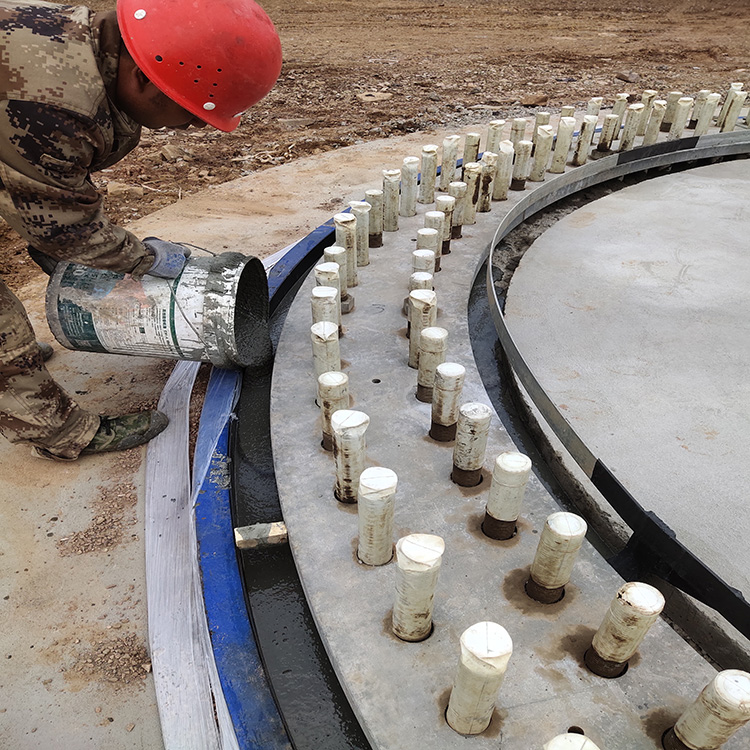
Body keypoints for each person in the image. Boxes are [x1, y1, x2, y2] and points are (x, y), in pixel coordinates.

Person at [0, 0, 282, 459]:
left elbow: (46, 177)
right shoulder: (51, 102)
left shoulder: (85, 42)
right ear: (143, 78)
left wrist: (66, 233)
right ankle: (60, 433)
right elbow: (62, 224)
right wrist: (141, 259)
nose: (192, 126)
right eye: (189, 111)